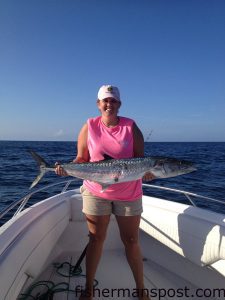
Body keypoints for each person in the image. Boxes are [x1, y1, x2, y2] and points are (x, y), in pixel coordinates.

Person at [56, 85, 154, 300]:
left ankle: (141, 288)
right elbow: (81, 159)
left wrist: (148, 174)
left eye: (114, 101)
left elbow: (141, 159)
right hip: (95, 191)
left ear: (119, 104)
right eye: (105, 101)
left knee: (131, 240)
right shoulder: (89, 126)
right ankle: (89, 289)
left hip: (128, 193)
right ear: (99, 104)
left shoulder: (131, 127)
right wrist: (66, 168)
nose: (109, 104)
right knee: (95, 238)